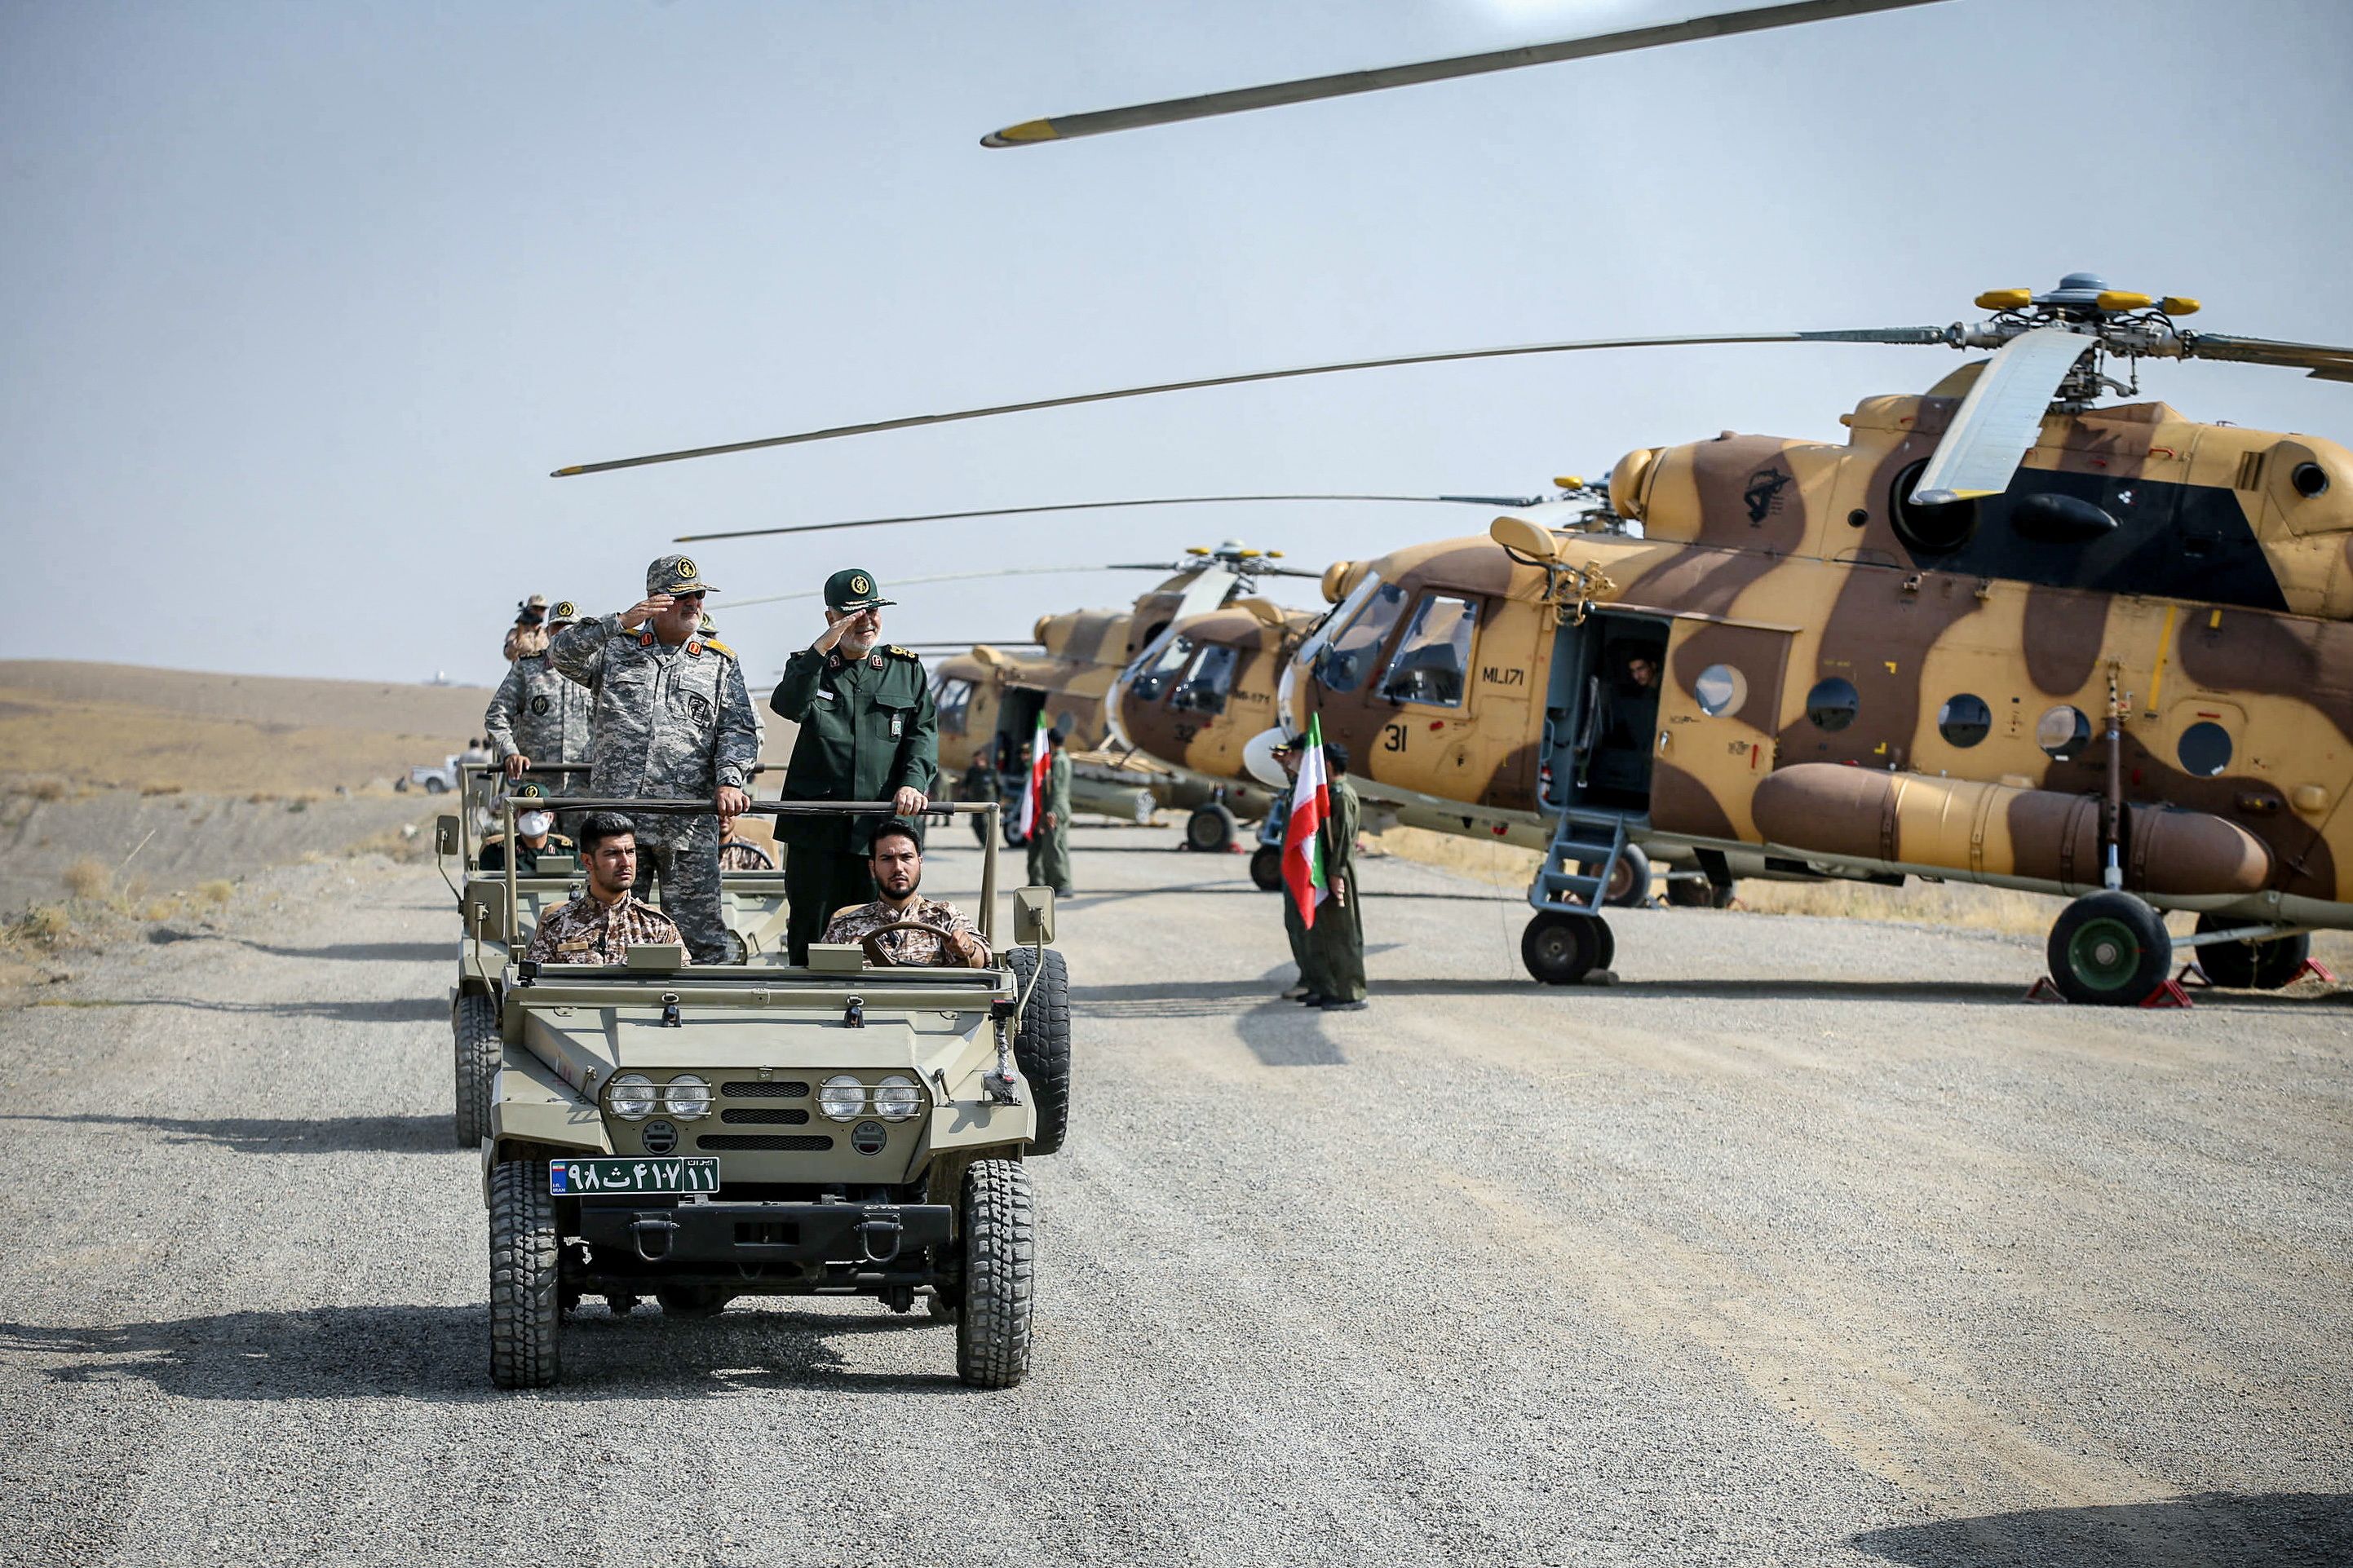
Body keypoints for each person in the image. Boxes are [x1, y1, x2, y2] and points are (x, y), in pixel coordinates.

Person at [548, 555, 759, 965]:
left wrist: (730, 779)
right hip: (619, 826)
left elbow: (738, 730)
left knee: (701, 941)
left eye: (698, 595)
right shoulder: (615, 651)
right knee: (609, 934)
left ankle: (702, 1023)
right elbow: (561, 654)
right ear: (656, 602)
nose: (694, 603)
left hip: (687, 823)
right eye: (682, 597)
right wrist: (619, 621)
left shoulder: (719, 663)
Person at [768, 567, 938, 963]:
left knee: (883, 936)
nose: (868, 621)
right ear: (831, 618)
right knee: (812, 934)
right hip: (817, 832)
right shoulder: (811, 668)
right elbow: (788, 706)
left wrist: (913, 783)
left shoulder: (906, 670)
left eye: (874, 610)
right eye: (855, 613)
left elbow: (923, 735)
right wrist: (819, 651)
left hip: (879, 830)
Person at [524, 811, 688, 965]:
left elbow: (682, 988)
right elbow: (534, 988)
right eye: (612, 854)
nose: (625, 862)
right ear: (587, 861)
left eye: (630, 852)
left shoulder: (657, 927)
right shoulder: (557, 927)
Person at [821, 819, 990, 967]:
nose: (898, 868)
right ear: (873, 868)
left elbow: (981, 959)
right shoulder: (845, 925)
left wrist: (968, 948)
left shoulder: (944, 916)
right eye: (887, 859)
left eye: (906, 857)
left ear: (920, 863)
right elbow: (824, 981)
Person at [1276, 736, 1367, 1010]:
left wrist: (1337, 873)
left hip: (1336, 871)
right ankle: (1328, 988)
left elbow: (1342, 842)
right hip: (1326, 870)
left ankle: (1351, 992)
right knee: (1325, 932)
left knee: (1343, 933)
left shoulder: (1342, 796)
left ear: (1327, 765)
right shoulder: (1331, 793)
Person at [484, 599, 593, 797]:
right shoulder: (527, 669)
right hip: (536, 788)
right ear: (548, 631)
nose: (562, 632)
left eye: (570, 627)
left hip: (583, 788)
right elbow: (495, 716)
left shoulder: (598, 669)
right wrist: (510, 753)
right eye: (557, 626)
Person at [479, 781, 575, 872]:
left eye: (538, 810)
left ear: (551, 816)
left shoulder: (568, 852)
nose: (532, 815)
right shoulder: (495, 853)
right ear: (517, 815)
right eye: (526, 810)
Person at [1026, 726, 1073, 896]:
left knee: (1055, 847)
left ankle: (1062, 884)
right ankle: (1053, 883)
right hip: (1056, 807)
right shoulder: (1059, 759)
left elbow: (1057, 789)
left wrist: (1052, 811)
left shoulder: (1058, 761)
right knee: (1051, 847)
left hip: (1057, 808)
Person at [504, 594, 551, 662]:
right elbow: (509, 655)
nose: (539, 612)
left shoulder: (547, 633)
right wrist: (521, 626)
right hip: (523, 671)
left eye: (542, 609)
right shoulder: (515, 633)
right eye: (535, 609)